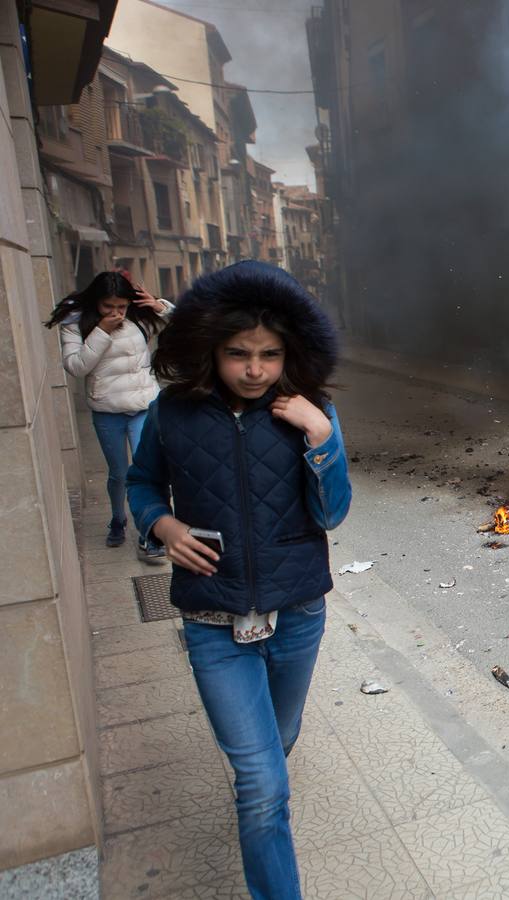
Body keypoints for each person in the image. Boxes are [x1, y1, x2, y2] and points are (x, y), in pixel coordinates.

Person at [127, 261, 351, 899]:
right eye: (238, 354)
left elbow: (331, 512)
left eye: (269, 355)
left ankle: (264, 788)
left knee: (277, 743)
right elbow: (141, 483)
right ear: (211, 349)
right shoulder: (172, 412)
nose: (255, 369)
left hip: (299, 613)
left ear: (290, 353)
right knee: (260, 785)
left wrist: (320, 436)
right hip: (212, 621)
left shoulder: (313, 413)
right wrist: (161, 526)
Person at [45, 270, 172, 559]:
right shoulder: (76, 323)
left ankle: (150, 534)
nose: (116, 313)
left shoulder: (139, 319)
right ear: (96, 303)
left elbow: (189, 326)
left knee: (149, 472)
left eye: (121, 307)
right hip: (107, 410)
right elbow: (76, 367)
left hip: (143, 406)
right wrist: (101, 330)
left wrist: (159, 305)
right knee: (118, 473)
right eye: (108, 307)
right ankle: (118, 518)